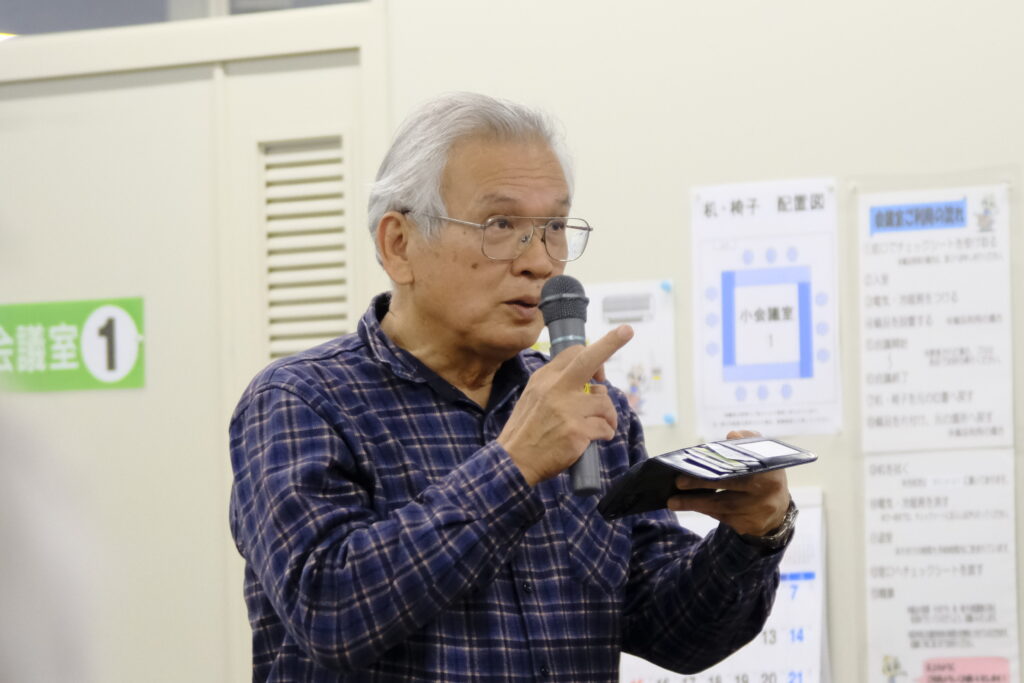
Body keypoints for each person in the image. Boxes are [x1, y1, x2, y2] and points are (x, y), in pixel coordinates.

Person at [229, 92, 796, 682]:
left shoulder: (592, 412)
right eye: (501, 225)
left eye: (554, 227)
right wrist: (513, 466)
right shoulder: (300, 400)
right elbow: (328, 612)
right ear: (399, 244)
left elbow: (676, 634)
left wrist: (755, 535)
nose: (541, 262)